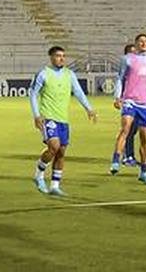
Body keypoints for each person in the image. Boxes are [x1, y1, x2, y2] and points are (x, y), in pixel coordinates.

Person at [29, 46, 97, 196]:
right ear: (51, 57)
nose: (62, 58)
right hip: (48, 117)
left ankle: (54, 186)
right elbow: (33, 94)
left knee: (61, 152)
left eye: (63, 56)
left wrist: (89, 108)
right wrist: (36, 115)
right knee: (54, 146)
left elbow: (78, 92)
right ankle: (39, 174)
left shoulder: (69, 74)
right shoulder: (43, 74)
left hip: (63, 119)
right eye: (58, 56)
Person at [111, 33, 146, 185]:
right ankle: (116, 160)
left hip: (145, 104)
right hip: (130, 101)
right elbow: (120, 78)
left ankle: (144, 171)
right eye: (140, 41)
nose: (143, 43)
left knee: (144, 138)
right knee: (125, 128)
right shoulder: (128, 59)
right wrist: (117, 97)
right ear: (136, 44)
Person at [119, 42, 137, 165]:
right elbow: (120, 82)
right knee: (128, 130)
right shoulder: (125, 70)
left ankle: (131, 155)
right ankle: (127, 156)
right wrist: (119, 98)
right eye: (131, 53)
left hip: (140, 103)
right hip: (128, 102)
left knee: (135, 130)